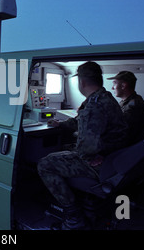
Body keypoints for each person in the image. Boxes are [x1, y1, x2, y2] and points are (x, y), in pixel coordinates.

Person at [37, 61, 127, 230]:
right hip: (112, 157)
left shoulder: (94, 106)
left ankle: (74, 217)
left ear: (82, 82)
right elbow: (81, 123)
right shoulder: (105, 98)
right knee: (60, 153)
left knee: (45, 164)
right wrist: (61, 125)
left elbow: (87, 147)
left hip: (101, 163)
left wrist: (87, 157)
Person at [107, 71, 144, 145]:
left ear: (123, 86)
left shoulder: (134, 105)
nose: (112, 88)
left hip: (129, 148)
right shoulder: (126, 102)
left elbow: (121, 130)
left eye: (114, 83)